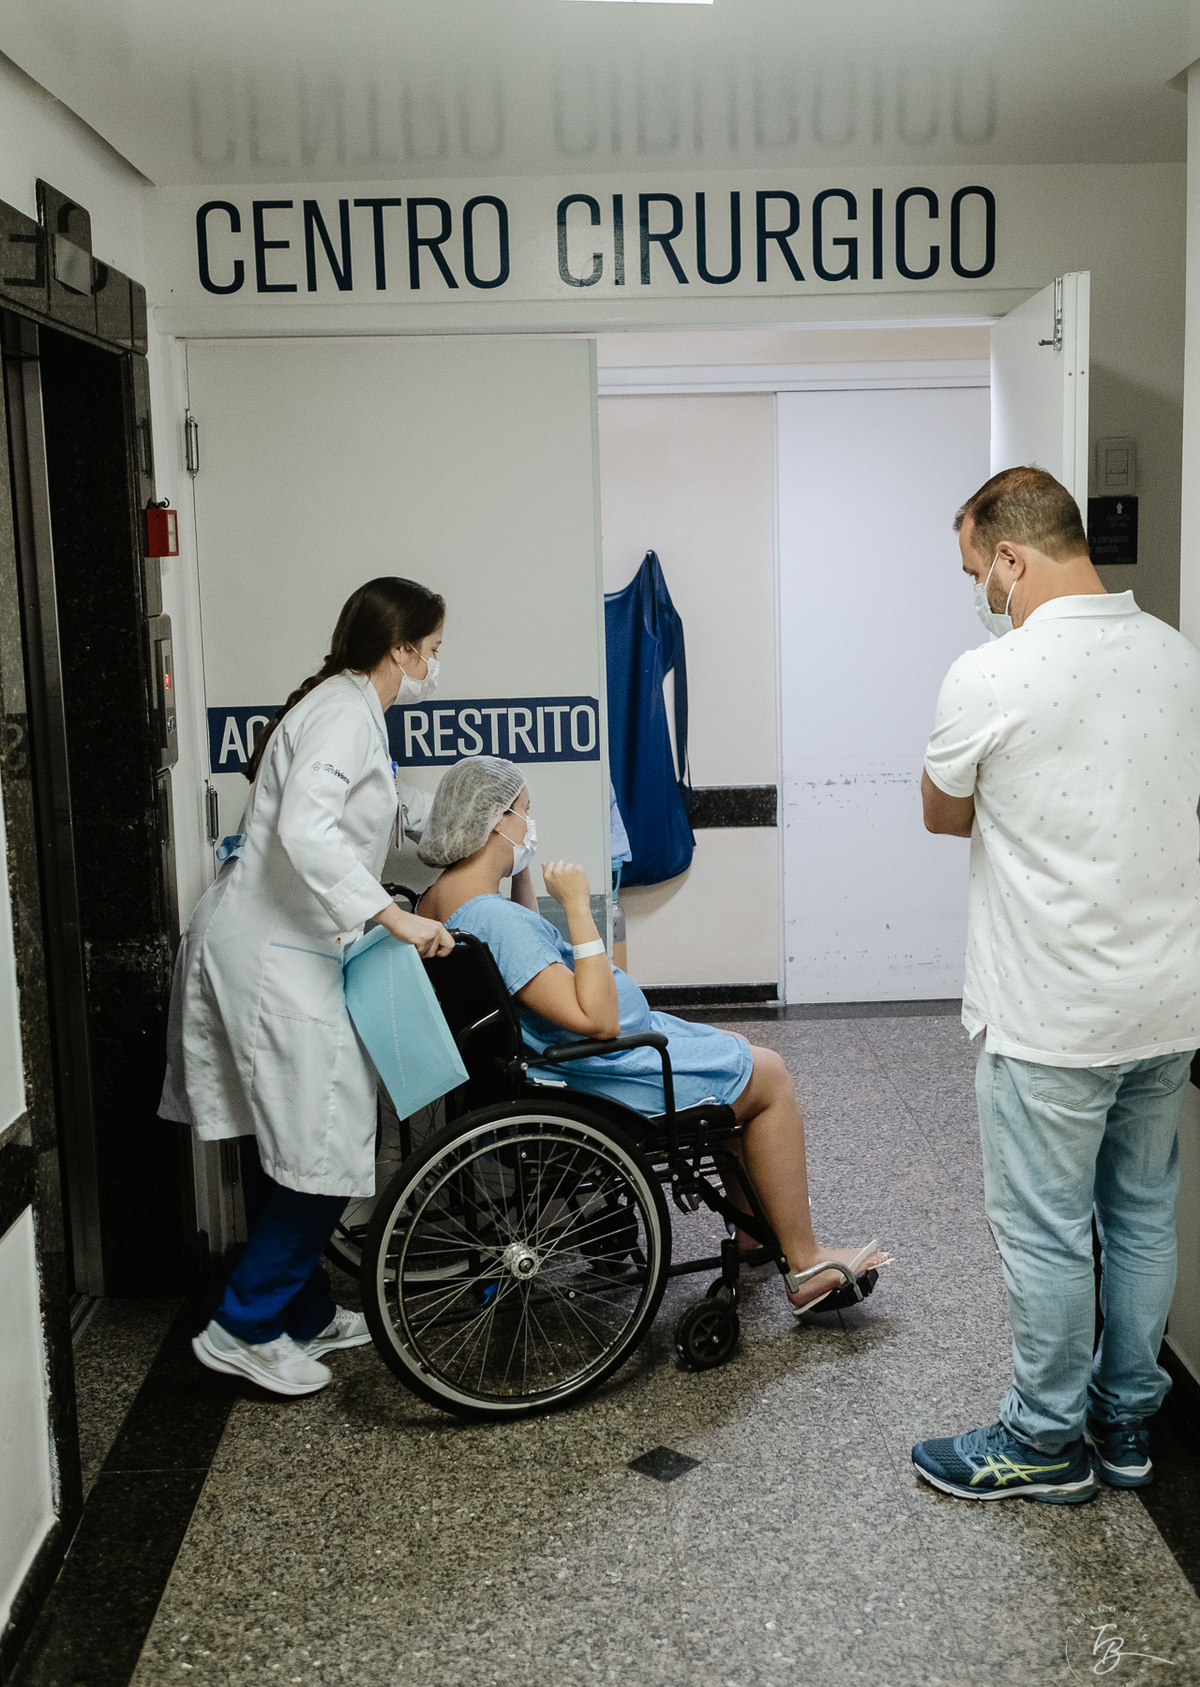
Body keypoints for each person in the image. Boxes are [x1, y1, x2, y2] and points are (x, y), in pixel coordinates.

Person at [912, 466, 1200, 1503]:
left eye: (976, 571)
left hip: (1052, 1012)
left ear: (1011, 556)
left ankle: (1040, 1439)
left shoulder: (991, 672)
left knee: (1043, 1229)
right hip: (1169, 1001)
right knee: (1142, 1217)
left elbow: (944, 816)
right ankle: (1126, 1424)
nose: (980, 592)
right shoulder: (1178, 655)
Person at [416, 755, 889, 1313]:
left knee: (730, 1064)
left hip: (544, 1062)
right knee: (768, 1075)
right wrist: (577, 907)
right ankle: (806, 1262)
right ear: (495, 821)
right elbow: (599, 1020)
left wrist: (513, 869)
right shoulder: (498, 920)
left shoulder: (444, 901)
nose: (530, 828)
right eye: (525, 814)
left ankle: (757, 1236)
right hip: (595, 1066)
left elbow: (525, 955)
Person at [160, 577, 456, 1397]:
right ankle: (243, 1326)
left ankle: (302, 1311)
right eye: (432, 649)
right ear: (400, 648)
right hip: (277, 959)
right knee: (324, 1141)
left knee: (278, 1138)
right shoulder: (341, 710)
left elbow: (359, 817)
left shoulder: (350, 710)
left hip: (275, 946)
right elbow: (304, 829)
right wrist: (393, 920)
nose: (437, 663)